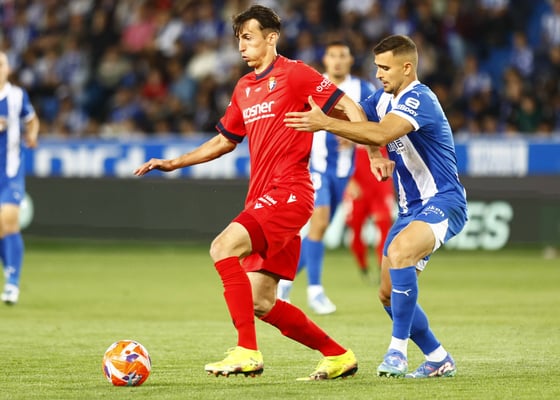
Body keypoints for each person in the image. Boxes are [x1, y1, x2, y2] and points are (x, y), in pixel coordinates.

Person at [134, 5, 362, 380]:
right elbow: (225, 140)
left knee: (222, 247)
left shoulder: (296, 74)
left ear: (271, 38)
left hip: (290, 192)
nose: (241, 46)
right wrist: (175, 163)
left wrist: (372, 150)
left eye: (248, 37)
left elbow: (349, 106)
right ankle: (338, 355)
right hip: (262, 196)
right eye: (239, 39)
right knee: (261, 300)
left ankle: (246, 351)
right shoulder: (244, 88)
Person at [285, 34, 468, 378]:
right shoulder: (382, 99)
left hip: (443, 200)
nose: (379, 74)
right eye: (376, 67)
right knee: (386, 294)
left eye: (385, 68)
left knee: (400, 253)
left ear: (407, 67)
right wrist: (305, 104)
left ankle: (396, 352)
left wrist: (327, 124)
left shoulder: (420, 98)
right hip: (409, 209)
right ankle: (438, 357)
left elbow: (381, 133)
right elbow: (354, 117)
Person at [277, 41, 375, 314]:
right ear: (326, 59)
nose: (338, 61)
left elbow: (374, 127)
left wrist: (354, 138)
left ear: (350, 60)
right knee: (318, 225)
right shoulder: (312, 85)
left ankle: (282, 284)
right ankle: (315, 292)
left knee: (316, 234)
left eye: (343, 55)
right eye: (333, 56)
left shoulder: (363, 90)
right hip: (314, 168)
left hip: (343, 172)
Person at [0, 51, 40, 305]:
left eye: (1, 64)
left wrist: (32, 135)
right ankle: (10, 271)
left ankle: (13, 283)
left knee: (8, 219)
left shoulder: (16, 96)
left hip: (10, 173)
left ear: (8, 68)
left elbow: (32, 120)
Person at [344, 145, 394, 281]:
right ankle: (363, 267)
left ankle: (383, 268)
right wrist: (348, 181)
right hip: (358, 186)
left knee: (384, 227)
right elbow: (340, 153)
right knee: (356, 229)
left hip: (380, 185)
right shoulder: (350, 134)